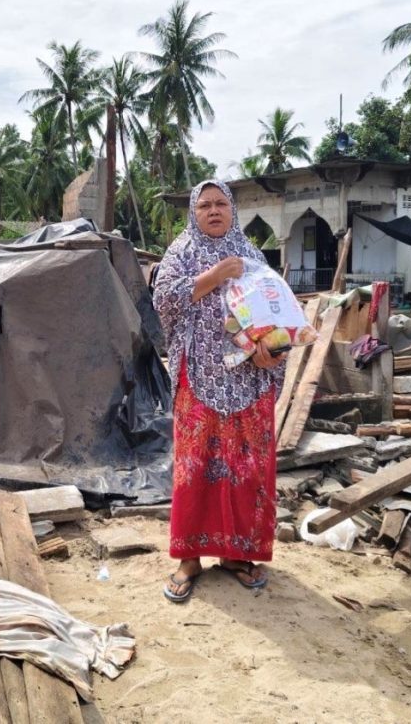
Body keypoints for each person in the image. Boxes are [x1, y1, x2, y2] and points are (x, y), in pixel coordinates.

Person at [153, 179, 287, 603]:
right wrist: (214, 276)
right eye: (205, 205)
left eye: (221, 204)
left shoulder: (252, 256)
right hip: (199, 378)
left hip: (249, 381)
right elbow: (163, 301)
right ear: (194, 213)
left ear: (233, 210)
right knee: (195, 467)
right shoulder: (181, 253)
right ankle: (189, 558)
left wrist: (271, 352)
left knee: (248, 468)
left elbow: (276, 311)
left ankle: (237, 554)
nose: (213, 211)